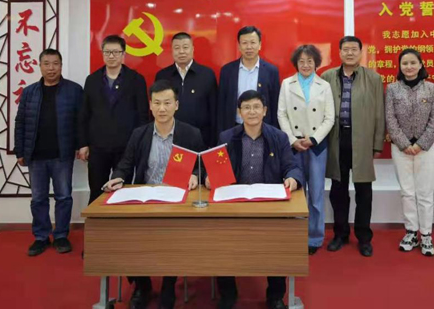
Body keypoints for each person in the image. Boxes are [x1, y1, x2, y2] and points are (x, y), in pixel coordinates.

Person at [103, 80, 205, 309]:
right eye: (157, 103)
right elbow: (125, 164)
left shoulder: (190, 133)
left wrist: (195, 175)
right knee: (127, 237)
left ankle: (168, 285)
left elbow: (202, 166)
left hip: (178, 201)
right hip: (145, 199)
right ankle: (143, 285)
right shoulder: (139, 134)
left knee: (173, 240)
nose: (162, 109)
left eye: (167, 103)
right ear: (150, 105)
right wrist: (117, 177)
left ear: (176, 105)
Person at [210, 90, 303, 309]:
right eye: (246, 108)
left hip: (268, 205)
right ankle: (228, 294)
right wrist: (209, 177)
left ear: (265, 110)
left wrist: (292, 178)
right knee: (222, 242)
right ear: (239, 112)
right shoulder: (227, 138)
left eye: (256, 107)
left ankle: (275, 296)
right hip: (234, 204)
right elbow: (214, 169)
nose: (252, 112)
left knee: (276, 245)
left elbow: (292, 166)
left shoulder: (279, 137)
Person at [15, 48, 83, 256]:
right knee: (38, 199)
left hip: (62, 154)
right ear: (40, 66)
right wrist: (20, 151)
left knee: (64, 197)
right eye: (46, 63)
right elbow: (20, 122)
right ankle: (41, 237)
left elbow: (81, 121)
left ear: (61, 66)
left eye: (55, 64)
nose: (51, 68)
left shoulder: (74, 90)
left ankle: (61, 235)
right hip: (36, 155)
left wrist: (82, 144)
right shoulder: (29, 92)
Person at [321, 36, 385, 257]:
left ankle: (364, 237)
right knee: (338, 191)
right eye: (345, 49)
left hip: (363, 140)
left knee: (364, 192)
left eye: (354, 49)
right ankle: (340, 234)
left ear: (360, 52)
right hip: (336, 139)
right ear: (339, 52)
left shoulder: (373, 78)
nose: (349, 53)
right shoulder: (327, 77)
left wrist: (377, 144)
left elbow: (379, 113)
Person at [277, 44, 335, 255]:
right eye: (301, 61)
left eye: (310, 61)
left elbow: (330, 118)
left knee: (316, 195)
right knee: (295, 192)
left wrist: (314, 138)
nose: (305, 65)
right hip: (294, 147)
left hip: (316, 146)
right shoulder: (286, 84)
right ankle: (294, 235)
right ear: (296, 63)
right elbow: (281, 114)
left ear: (316, 63)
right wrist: (293, 140)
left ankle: (315, 237)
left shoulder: (324, 86)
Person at [78, 34, 149, 204]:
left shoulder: (136, 79)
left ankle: (121, 221)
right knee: (96, 190)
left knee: (123, 191)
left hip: (126, 146)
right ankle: (96, 221)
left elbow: (143, 115)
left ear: (123, 54)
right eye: (107, 52)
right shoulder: (92, 80)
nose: (111, 56)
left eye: (116, 52)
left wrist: (140, 144)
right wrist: (83, 144)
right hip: (98, 146)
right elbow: (84, 114)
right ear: (102, 53)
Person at [386, 48, 434, 256]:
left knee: (425, 193)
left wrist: (421, 144)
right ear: (400, 66)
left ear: (420, 65)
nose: (409, 67)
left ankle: (426, 234)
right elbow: (390, 119)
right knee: (407, 192)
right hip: (401, 149)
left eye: (412, 63)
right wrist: (403, 143)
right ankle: (411, 232)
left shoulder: (432, 89)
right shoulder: (392, 89)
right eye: (405, 63)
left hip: (425, 149)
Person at [155, 32, 218, 147]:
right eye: (177, 48)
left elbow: (214, 111)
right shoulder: (163, 76)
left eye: (185, 47)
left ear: (192, 49)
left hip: (201, 139)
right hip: (169, 139)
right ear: (172, 51)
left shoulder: (207, 74)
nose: (181, 51)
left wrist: (213, 142)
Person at [218, 26, 280, 133]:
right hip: (234, 127)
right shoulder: (227, 71)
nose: (249, 47)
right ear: (239, 46)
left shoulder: (271, 71)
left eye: (253, 42)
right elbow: (221, 105)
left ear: (259, 45)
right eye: (245, 43)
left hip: (262, 129)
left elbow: (275, 105)